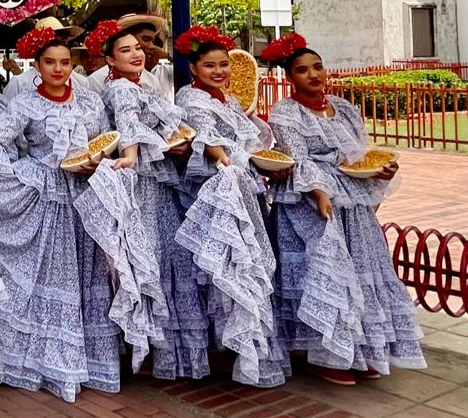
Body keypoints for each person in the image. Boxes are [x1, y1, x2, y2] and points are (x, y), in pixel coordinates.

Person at [0, 26, 146, 400]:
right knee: (50, 278)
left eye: (64, 62)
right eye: (50, 63)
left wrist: (97, 162)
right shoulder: (25, 103)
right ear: (38, 66)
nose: (59, 69)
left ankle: (89, 363)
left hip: (84, 198)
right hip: (43, 193)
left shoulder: (90, 103)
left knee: (84, 277)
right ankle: (44, 362)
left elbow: (106, 142)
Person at [263, 34, 424, 384]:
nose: (313, 75)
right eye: (302, 70)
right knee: (325, 272)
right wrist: (320, 193)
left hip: (352, 198)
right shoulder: (285, 112)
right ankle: (327, 355)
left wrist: (380, 169)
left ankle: (360, 349)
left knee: (362, 269)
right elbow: (299, 159)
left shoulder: (344, 108)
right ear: (289, 77)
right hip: (309, 200)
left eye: (317, 67)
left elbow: (359, 155)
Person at [86, 19, 203, 380]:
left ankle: (149, 340)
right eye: (125, 50)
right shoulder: (121, 89)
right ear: (109, 60)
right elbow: (128, 126)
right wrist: (133, 154)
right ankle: (145, 342)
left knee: (153, 258)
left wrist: (177, 141)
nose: (136, 53)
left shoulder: (141, 85)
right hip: (142, 182)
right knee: (147, 259)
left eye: (138, 47)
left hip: (156, 177)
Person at [173, 24, 288, 388]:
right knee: (230, 263)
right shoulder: (190, 99)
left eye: (223, 65)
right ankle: (236, 343)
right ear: (194, 68)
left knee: (249, 261)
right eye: (210, 66)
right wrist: (230, 162)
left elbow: (250, 138)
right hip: (217, 191)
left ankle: (242, 341)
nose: (219, 72)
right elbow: (207, 139)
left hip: (245, 186)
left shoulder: (231, 101)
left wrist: (260, 157)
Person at [90, 13, 175, 102]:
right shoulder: (97, 81)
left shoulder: (151, 80)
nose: (152, 46)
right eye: (146, 39)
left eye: (138, 48)